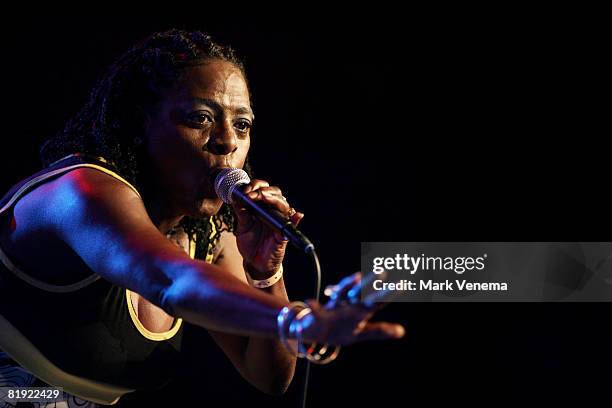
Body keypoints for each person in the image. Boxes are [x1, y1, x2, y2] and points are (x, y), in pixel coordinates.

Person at [0, 29, 404, 406]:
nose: (228, 141)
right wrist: (294, 319)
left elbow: (267, 375)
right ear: (139, 123)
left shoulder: (205, 232)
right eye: (200, 118)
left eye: (242, 125)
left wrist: (267, 272)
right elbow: (172, 282)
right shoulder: (81, 192)